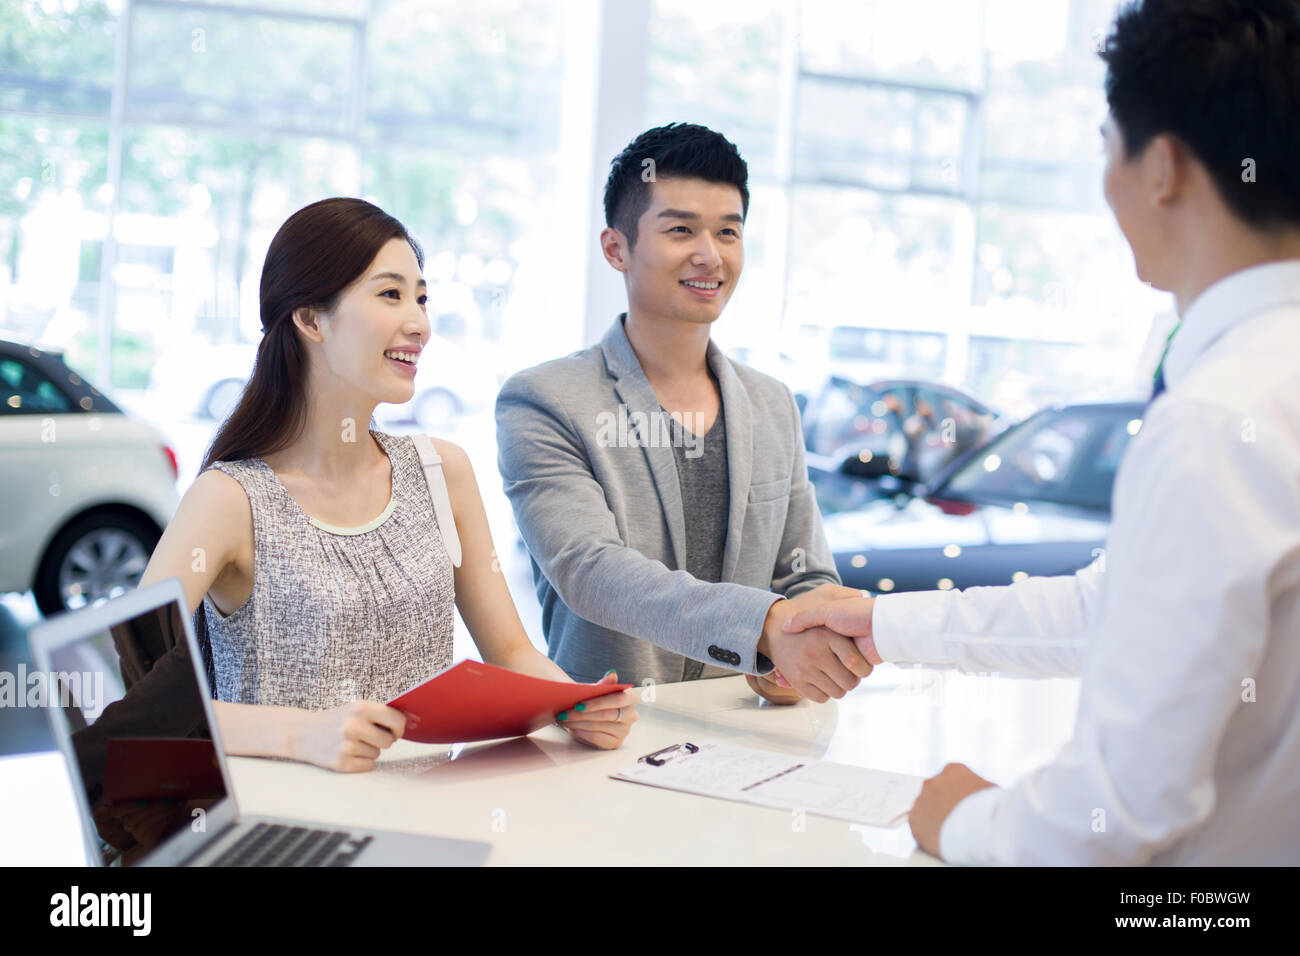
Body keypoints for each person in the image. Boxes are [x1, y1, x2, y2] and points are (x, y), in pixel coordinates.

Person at [783, 0, 1300, 864]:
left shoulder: (1213, 425)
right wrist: (886, 624)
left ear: (1162, 166)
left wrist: (958, 819)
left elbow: (1119, 812)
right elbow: (1113, 606)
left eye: (1108, 144)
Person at [139, 197, 638, 772]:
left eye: (422, 298)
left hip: (425, 816)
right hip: (289, 836)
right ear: (309, 319)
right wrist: (303, 734)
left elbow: (510, 651)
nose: (420, 323)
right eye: (390, 294)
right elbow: (133, 693)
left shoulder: (441, 472)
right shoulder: (231, 498)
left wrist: (573, 702)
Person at [496, 123, 872, 705]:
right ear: (616, 247)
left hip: (747, 738)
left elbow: (804, 575)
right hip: (605, 737)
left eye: (728, 231)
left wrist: (795, 655)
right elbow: (591, 572)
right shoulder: (546, 400)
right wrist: (764, 628)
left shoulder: (772, 403)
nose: (709, 254)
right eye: (680, 230)